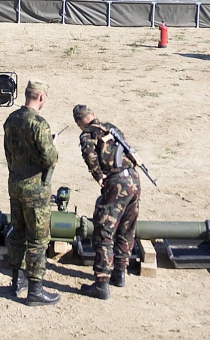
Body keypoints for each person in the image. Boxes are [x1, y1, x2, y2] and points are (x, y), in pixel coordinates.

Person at [72, 104, 141, 300]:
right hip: (134, 180)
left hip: (116, 183)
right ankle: (120, 272)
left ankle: (102, 282)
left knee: (104, 231)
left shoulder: (87, 135)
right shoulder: (111, 128)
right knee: (127, 228)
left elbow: (90, 156)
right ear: (93, 114)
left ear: (79, 123)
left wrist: (99, 176)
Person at [3, 80, 61, 306]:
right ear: (41, 97)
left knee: (18, 232)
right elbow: (49, 158)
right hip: (35, 188)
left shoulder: (11, 119)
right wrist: (52, 146)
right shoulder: (39, 124)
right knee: (38, 239)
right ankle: (35, 291)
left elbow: (8, 152)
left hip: (15, 181)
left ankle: (17, 282)